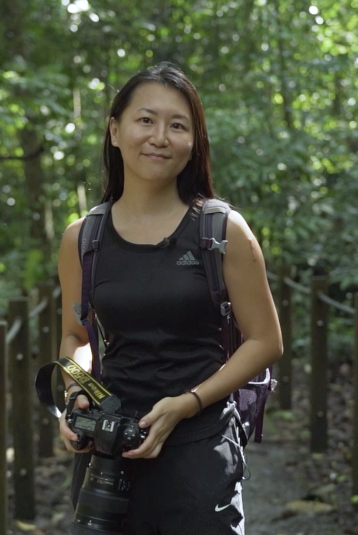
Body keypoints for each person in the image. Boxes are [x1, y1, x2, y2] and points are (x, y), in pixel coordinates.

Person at [55, 62, 283, 535]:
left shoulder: (221, 231)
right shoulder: (83, 237)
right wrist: (76, 391)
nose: (159, 136)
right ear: (115, 131)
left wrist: (187, 403)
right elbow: (76, 335)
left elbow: (265, 341)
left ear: (194, 142)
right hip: (109, 451)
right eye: (145, 120)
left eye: (177, 125)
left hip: (198, 445)